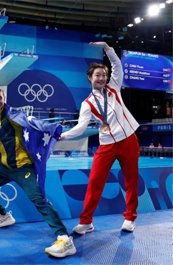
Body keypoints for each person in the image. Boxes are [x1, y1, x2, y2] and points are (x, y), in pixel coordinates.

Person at [0, 86, 76, 258]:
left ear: (4, 98)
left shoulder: (13, 116)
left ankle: (64, 237)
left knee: (38, 198)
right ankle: (3, 215)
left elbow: (33, 122)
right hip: (4, 168)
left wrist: (53, 130)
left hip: (22, 167)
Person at [59, 42, 140, 235]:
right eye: (98, 75)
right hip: (107, 145)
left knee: (131, 180)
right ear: (90, 78)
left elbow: (117, 66)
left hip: (128, 140)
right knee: (95, 182)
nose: (102, 78)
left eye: (104, 75)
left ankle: (130, 217)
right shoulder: (87, 103)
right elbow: (80, 128)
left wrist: (107, 48)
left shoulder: (114, 88)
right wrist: (62, 136)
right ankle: (86, 221)